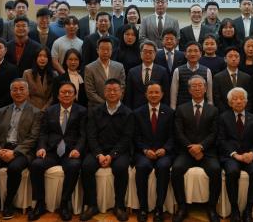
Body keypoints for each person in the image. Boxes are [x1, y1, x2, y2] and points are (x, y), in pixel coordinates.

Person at [0, 78, 42, 219]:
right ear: (10, 92)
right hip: (1, 148)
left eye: (21, 89)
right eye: (15, 89)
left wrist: (15, 152)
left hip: (22, 151)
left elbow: (33, 137)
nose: (18, 92)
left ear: (28, 92)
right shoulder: (1, 111)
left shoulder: (36, 112)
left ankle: (8, 203)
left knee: (14, 168)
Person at [28, 81, 87, 221]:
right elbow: (43, 133)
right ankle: (40, 203)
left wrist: (78, 149)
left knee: (74, 166)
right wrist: (41, 147)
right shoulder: (50, 111)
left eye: (69, 92)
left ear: (75, 95)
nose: (66, 94)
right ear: (58, 95)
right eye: (63, 92)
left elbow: (83, 135)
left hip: (70, 151)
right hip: (51, 151)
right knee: (36, 165)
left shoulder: (82, 111)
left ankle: (64, 203)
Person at [81, 79, 134, 222]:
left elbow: (126, 138)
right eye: (109, 90)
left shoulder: (128, 113)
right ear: (104, 92)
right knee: (86, 166)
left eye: (115, 90)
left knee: (121, 167)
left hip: (119, 151)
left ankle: (119, 206)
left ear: (121, 92)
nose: (112, 93)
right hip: (98, 150)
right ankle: (92, 205)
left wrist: (112, 155)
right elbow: (91, 136)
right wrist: (99, 155)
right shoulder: (95, 111)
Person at [171, 75, 222, 222]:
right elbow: (178, 133)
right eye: (194, 86)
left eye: (200, 86)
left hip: (207, 151)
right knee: (176, 170)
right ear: (189, 90)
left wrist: (201, 147)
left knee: (216, 170)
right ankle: (182, 207)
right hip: (186, 151)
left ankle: (211, 208)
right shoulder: (181, 109)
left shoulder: (213, 110)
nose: (198, 88)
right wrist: (191, 148)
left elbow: (214, 133)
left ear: (205, 89)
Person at [218, 87, 253, 222]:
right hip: (232, 156)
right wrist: (235, 155)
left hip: (250, 156)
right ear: (229, 102)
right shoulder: (223, 118)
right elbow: (221, 140)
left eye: (241, 98)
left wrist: (252, 153)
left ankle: (249, 209)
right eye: (235, 99)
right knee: (232, 172)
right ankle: (235, 209)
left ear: (246, 101)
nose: (238, 101)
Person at [132, 82, 175, 222]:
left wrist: (165, 149)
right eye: (150, 92)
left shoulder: (170, 112)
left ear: (162, 94)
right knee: (141, 167)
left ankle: (159, 209)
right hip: (144, 152)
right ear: (146, 95)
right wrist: (145, 150)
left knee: (163, 167)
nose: (154, 95)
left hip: (163, 152)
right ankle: (143, 208)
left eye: (157, 92)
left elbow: (173, 136)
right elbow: (135, 137)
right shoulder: (137, 113)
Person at [125, 40, 170, 110]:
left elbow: (166, 94)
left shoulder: (162, 71)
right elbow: (128, 95)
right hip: (136, 109)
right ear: (140, 53)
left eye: (150, 52)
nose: (148, 54)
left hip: (156, 109)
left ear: (155, 54)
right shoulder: (132, 71)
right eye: (145, 52)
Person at [83, 37, 126, 106]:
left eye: (108, 49)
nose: (105, 52)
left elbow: (122, 88)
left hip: (116, 105)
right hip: (96, 107)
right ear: (97, 50)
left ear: (112, 51)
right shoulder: (89, 68)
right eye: (102, 49)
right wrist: (106, 104)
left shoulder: (119, 67)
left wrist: (114, 101)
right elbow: (90, 92)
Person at [169, 42, 214, 109]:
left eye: (196, 51)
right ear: (185, 54)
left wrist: (210, 109)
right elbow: (174, 93)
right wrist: (173, 109)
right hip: (183, 109)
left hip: (202, 108)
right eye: (190, 51)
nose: (193, 54)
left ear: (200, 54)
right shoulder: (177, 70)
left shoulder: (207, 71)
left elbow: (209, 95)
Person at [212, 46, 252, 113]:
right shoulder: (218, 77)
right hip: (225, 114)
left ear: (239, 59)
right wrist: (227, 114)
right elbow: (217, 99)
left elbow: (249, 98)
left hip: (243, 113)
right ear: (225, 59)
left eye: (236, 56)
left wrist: (244, 112)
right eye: (230, 56)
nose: (233, 59)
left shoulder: (246, 77)